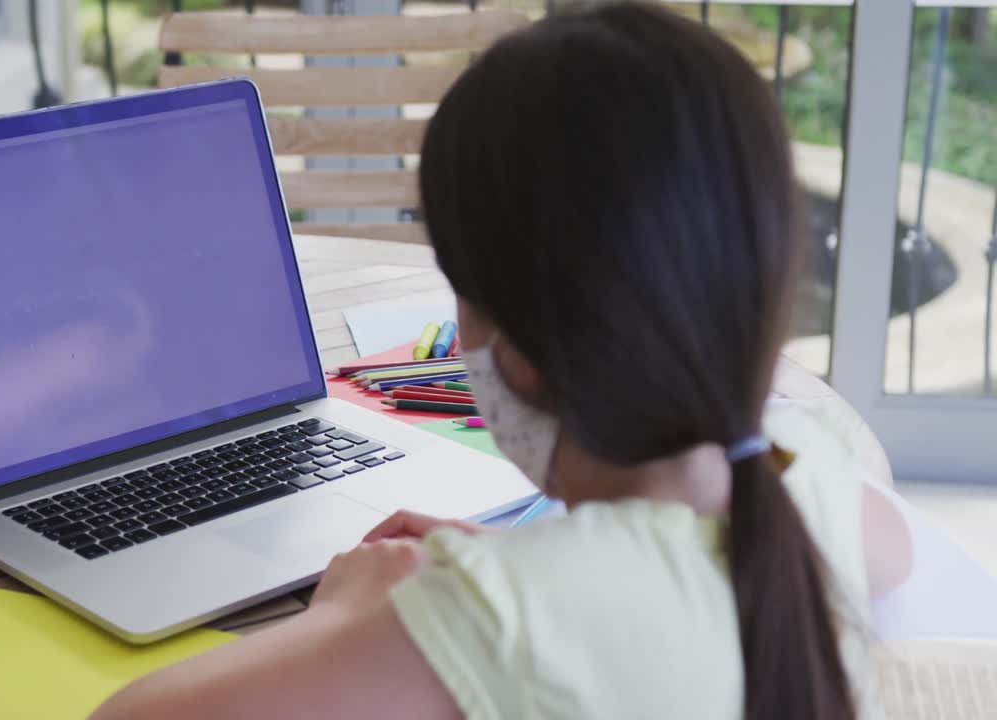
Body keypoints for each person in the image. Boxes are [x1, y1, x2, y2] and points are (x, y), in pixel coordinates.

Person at [92, 3, 911, 718]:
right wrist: (525, 564)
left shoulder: (500, 617)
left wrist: (347, 618)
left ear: (515, 358)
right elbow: (886, 549)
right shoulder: (810, 477)